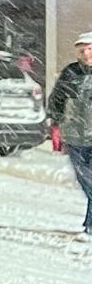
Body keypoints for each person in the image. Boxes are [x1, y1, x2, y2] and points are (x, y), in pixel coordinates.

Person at [47, 31, 92, 239]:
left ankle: (90, 225)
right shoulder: (71, 73)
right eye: (82, 50)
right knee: (86, 181)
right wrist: (55, 124)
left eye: (89, 49)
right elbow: (56, 100)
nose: (86, 54)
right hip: (74, 138)